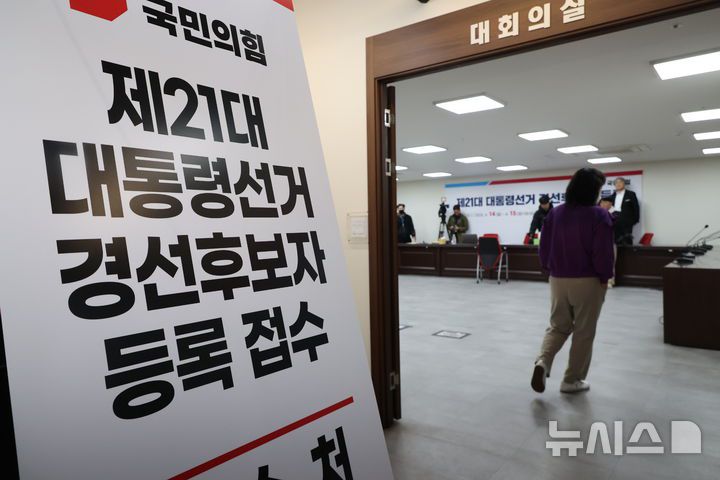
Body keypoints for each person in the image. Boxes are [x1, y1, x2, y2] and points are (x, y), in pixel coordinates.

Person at [531, 168, 614, 394]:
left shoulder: (555, 213)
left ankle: (543, 362)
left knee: (558, 326)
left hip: (558, 279)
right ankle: (571, 380)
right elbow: (603, 252)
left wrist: (549, 268)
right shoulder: (599, 215)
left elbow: (543, 247)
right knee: (584, 332)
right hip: (587, 281)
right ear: (592, 190)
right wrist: (605, 277)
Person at [608, 177, 639, 245]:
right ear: (614, 185)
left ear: (624, 184)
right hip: (615, 221)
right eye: (616, 183)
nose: (618, 184)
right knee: (616, 240)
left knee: (627, 241)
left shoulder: (631, 194)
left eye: (620, 182)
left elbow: (636, 208)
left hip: (627, 222)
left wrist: (634, 221)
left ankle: (628, 252)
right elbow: (609, 208)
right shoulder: (611, 196)